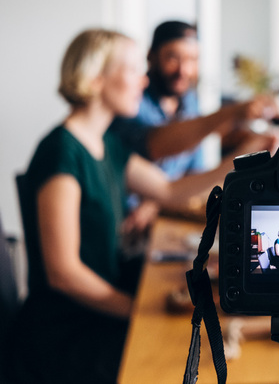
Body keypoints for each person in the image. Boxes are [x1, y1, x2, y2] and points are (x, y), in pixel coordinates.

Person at [5, 29, 237, 384]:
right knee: (180, 361)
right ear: (95, 78)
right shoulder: (61, 153)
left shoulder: (106, 144)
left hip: (98, 312)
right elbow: (63, 273)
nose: (144, 81)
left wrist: (241, 162)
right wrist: (138, 311)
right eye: (132, 70)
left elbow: (169, 190)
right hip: (68, 332)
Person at [110, 20, 278, 233]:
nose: (184, 70)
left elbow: (185, 179)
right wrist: (231, 113)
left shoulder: (190, 102)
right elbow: (154, 144)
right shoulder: (132, 103)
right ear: (151, 56)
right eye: (173, 57)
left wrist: (156, 201)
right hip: (127, 226)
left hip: (168, 215)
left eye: (192, 59)